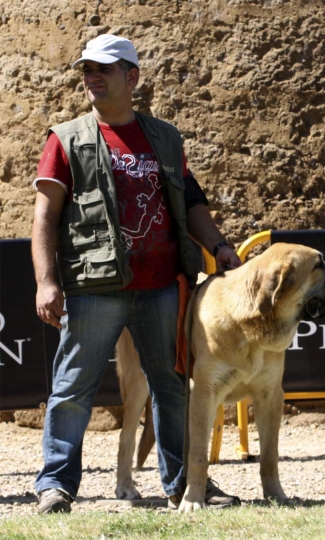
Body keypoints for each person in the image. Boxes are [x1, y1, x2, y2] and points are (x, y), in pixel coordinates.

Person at [31, 34, 243, 514]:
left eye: (103, 69)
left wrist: (220, 246)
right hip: (92, 287)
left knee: (172, 389)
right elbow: (44, 216)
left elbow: (191, 203)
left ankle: (185, 485)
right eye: (87, 68)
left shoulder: (165, 137)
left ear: (133, 77)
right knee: (72, 389)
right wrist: (47, 281)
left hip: (162, 287)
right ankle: (55, 486)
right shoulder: (66, 138)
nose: (92, 76)